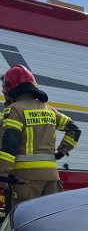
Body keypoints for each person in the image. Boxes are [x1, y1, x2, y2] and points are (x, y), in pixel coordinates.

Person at [0, 65, 81, 210]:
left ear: (10, 87)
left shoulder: (15, 110)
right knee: (49, 223)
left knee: (22, 223)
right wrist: (60, 152)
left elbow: (9, 145)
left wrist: (2, 175)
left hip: (25, 182)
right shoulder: (49, 110)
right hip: (52, 181)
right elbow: (74, 130)